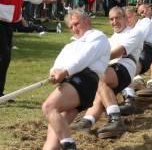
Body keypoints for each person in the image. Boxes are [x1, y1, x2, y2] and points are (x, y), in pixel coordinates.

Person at [70, 7, 143, 139]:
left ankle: (116, 119)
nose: (114, 22)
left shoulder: (134, 33)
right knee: (99, 89)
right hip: (111, 69)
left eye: (117, 18)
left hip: (125, 67)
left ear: (125, 18)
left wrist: (90, 60)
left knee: (99, 78)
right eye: (111, 19)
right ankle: (88, 121)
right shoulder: (110, 39)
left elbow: (118, 52)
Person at [42, 9, 110, 150]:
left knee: (49, 107)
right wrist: (54, 72)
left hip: (84, 80)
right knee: (55, 126)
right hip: (71, 83)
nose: (74, 29)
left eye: (76, 24)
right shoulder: (70, 45)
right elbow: (58, 63)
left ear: (87, 21)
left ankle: (70, 146)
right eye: (71, 27)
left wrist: (65, 71)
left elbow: (84, 58)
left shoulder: (98, 37)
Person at [0, 0, 54, 97]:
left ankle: (0, 93)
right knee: (4, 56)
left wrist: (43, 0)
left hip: (8, 23)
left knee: (5, 58)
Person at [119, 7, 152, 115]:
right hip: (132, 51)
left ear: (135, 15)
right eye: (124, 18)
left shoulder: (145, 22)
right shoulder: (126, 30)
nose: (126, 20)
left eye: (128, 17)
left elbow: (138, 38)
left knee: (124, 71)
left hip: (144, 52)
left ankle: (130, 100)